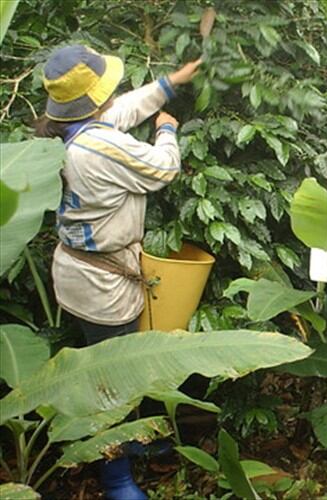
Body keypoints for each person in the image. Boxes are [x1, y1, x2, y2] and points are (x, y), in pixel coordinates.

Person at [36, 44, 201, 500]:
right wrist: (167, 130)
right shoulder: (101, 148)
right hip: (102, 284)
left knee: (112, 367)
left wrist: (170, 83)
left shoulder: (66, 131)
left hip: (77, 271)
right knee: (110, 381)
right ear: (94, 98)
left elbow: (121, 111)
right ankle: (116, 478)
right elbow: (163, 168)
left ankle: (131, 440)